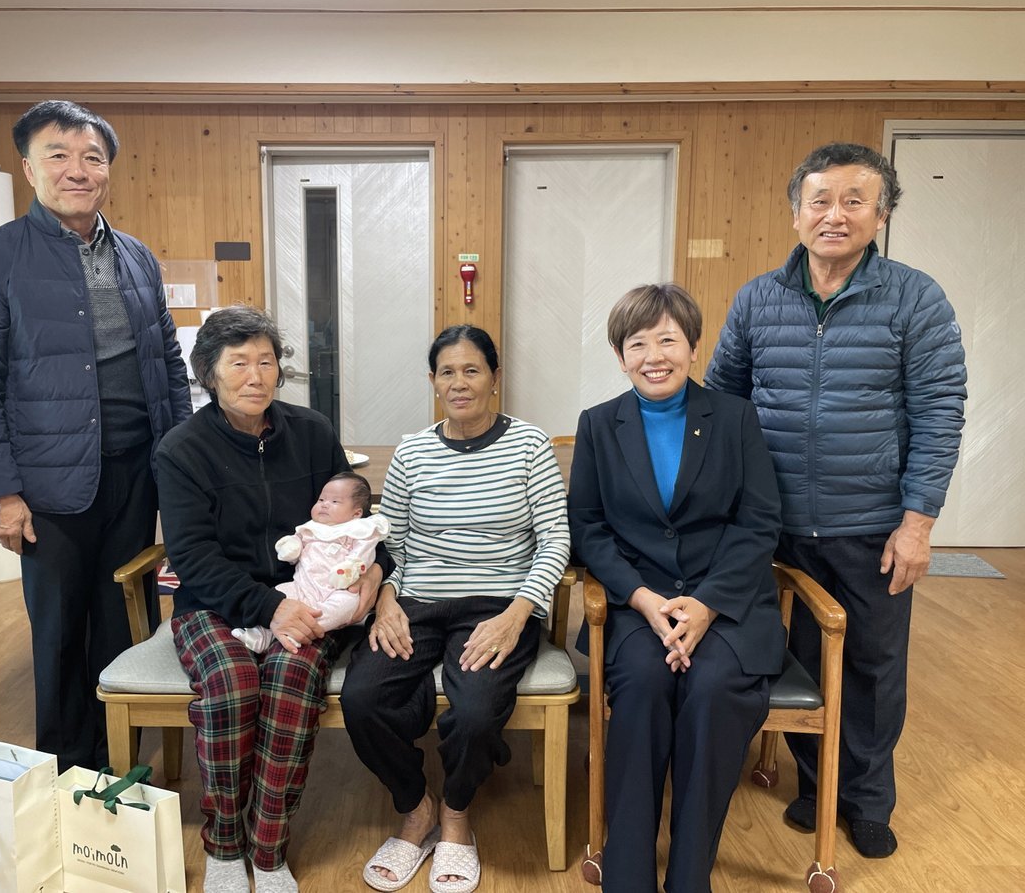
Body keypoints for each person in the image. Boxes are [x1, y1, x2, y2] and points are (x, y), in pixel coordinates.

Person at [705, 142, 967, 858]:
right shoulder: (758, 298)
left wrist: (917, 524)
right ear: (796, 213)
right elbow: (723, 401)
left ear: (882, 216)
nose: (835, 215)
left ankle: (867, 799)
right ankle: (816, 785)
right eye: (820, 200)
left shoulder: (915, 298)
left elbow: (940, 414)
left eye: (855, 200)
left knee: (874, 667)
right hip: (774, 523)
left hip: (871, 523)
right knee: (797, 661)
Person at [0, 100, 191, 773]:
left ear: (107, 170)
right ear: (29, 169)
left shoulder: (137, 256)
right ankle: (65, 772)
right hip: (46, 483)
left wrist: (181, 468)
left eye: (92, 157)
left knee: (122, 619)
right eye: (58, 155)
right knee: (58, 629)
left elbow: (167, 366)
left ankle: (119, 767)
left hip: (135, 471)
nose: (77, 170)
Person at [155, 305, 389, 893]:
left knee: (292, 677)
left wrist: (374, 574)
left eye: (266, 362)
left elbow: (355, 519)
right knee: (232, 684)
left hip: (309, 596)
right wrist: (267, 607)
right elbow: (192, 557)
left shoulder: (311, 432)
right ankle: (224, 846)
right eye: (239, 363)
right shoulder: (181, 450)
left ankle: (268, 849)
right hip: (213, 603)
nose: (256, 376)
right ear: (209, 372)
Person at [568, 284, 784, 893]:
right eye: (637, 344)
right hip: (639, 603)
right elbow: (588, 528)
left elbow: (759, 520)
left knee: (712, 689)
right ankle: (628, 874)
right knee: (641, 684)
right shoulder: (599, 424)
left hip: (727, 602)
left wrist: (708, 603)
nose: (654, 356)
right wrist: (641, 598)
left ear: (693, 347)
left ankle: (690, 876)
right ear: (620, 356)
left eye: (668, 340)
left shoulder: (735, 418)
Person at [340, 325, 570, 893]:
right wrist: (386, 601)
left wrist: (519, 613)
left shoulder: (529, 446)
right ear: (433, 381)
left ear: (495, 378)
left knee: (475, 712)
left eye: (472, 370)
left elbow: (555, 540)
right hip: (417, 599)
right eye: (447, 372)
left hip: (497, 604)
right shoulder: (412, 451)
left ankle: (456, 814)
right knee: (363, 697)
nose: (459, 383)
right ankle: (415, 806)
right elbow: (390, 544)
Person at [232, 471, 390, 653]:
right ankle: (260, 636)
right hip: (302, 587)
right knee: (277, 595)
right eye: (321, 500)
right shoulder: (311, 528)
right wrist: (291, 547)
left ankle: (303, 630)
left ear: (357, 513)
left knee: (344, 607)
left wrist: (351, 566)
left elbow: (363, 554)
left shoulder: (359, 530)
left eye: (335, 502)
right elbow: (296, 545)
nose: (324, 505)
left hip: (339, 589)